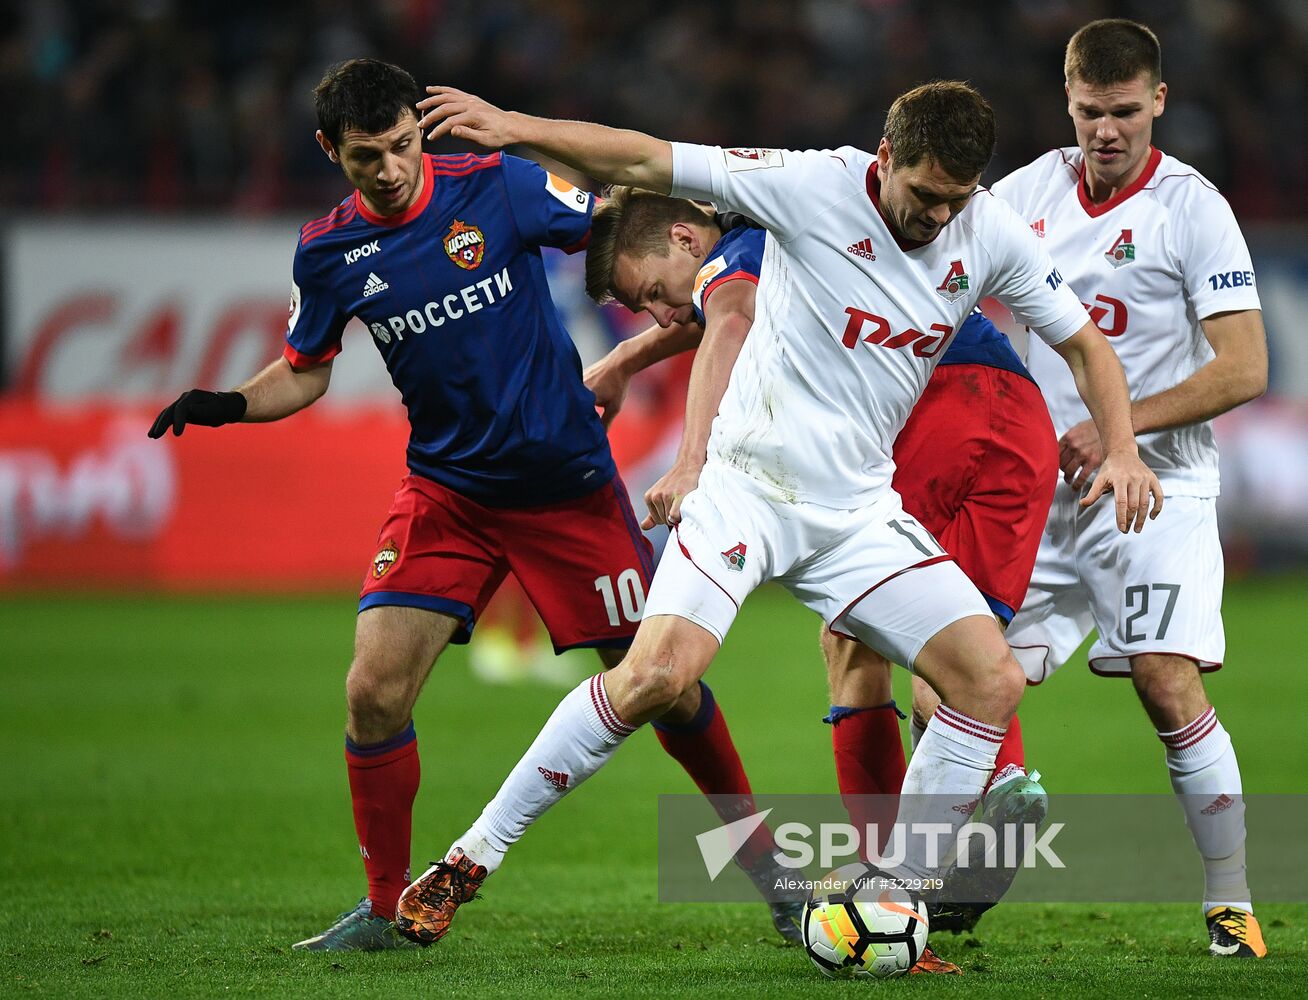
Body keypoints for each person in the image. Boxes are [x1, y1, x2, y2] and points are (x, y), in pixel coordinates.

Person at [393, 79, 1162, 952]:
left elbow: (1086, 345)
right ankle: (469, 859)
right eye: (921, 196)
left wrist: (1124, 446)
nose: (935, 218)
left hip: (859, 513)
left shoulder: (987, 233)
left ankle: (895, 897)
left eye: (954, 199)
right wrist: (514, 130)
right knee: (654, 680)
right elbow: (643, 156)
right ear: (885, 160)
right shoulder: (812, 186)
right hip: (747, 493)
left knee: (991, 679)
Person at [147, 58, 797, 950]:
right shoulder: (329, 251)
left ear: (422, 131)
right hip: (447, 492)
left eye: (403, 145)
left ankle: (769, 874)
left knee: (667, 689)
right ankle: (383, 910)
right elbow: (303, 374)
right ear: (329, 150)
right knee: (372, 692)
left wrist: (714, 245)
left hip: (569, 487)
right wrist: (228, 403)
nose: (390, 169)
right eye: (365, 155)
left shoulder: (499, 185)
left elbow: (622, 226)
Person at [582, 191, 1056, 936]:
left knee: (851, 642)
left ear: (682, 237)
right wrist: (626, 355)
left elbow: (730, 312)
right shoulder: (782, 234)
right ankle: (1001, 793)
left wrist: (692, 460)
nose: (662, 316)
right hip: (1018, 412)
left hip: (938, 400)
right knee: (963, 658)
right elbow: (736, 305)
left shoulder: (739, 249)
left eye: (652, 296)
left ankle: (890, 875)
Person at [992, 19, 1269, 958]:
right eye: (1086, 113)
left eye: (1121, 113)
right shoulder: (1025, 192)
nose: (1104, 133)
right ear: (1065, 100)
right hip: (1043, 492)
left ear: (1157, 100)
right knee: (957, 675)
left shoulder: (1194, 208)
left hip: (1160, 485)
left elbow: (1243, 368)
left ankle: (1229, 898)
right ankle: (948, 882)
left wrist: (1119, 433)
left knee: (1163, 679)